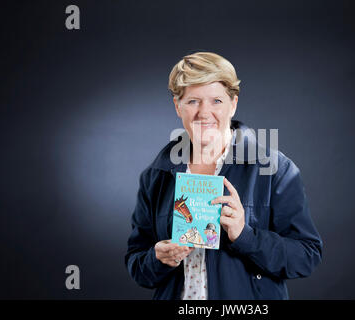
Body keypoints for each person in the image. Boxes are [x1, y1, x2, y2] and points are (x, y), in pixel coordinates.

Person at [124, 52, 323, 300]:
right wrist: (158, 259)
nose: (204, 113)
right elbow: (137, 264)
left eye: (216, 101)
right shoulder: (156, 175)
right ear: (178, 106)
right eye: (193, 101)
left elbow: (306, 257)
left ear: (233, 104)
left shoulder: (275, 169)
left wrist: (245, 235)